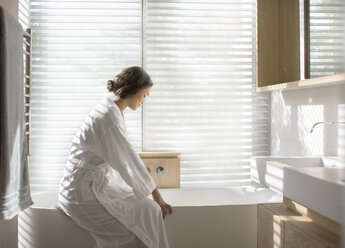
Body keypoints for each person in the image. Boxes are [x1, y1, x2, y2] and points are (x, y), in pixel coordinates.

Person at [57, 66, 172, 248]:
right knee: (128, 239)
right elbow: (129, 160)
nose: (144, 100)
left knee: (149, 209)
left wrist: (152, 196)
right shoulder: (108, 117)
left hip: (93, 184)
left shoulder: (110, 109)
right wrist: (156, 194)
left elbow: (125, 157)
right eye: (145, 94)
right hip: (81, 193)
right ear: (135, 90)